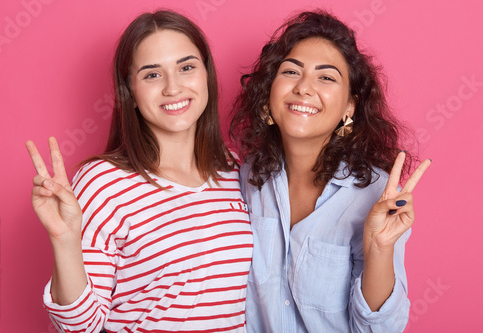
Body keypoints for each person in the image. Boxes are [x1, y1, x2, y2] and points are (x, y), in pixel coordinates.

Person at [26, 11, 253, 333]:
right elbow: (80, 327)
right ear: (129, 92)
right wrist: (64, 240)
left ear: (206, 75)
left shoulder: (235, 171)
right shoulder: (102, 182)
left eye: (186, 67)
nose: (173, 88)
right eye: (152, 75)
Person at [230, 10, 431, 332]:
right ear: (268, 95)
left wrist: (379, 248)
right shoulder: (246, 178)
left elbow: (379, 329)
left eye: (326, 77)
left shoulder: (375, 194)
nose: (304, 88)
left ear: (349, 107)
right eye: (291, 72)